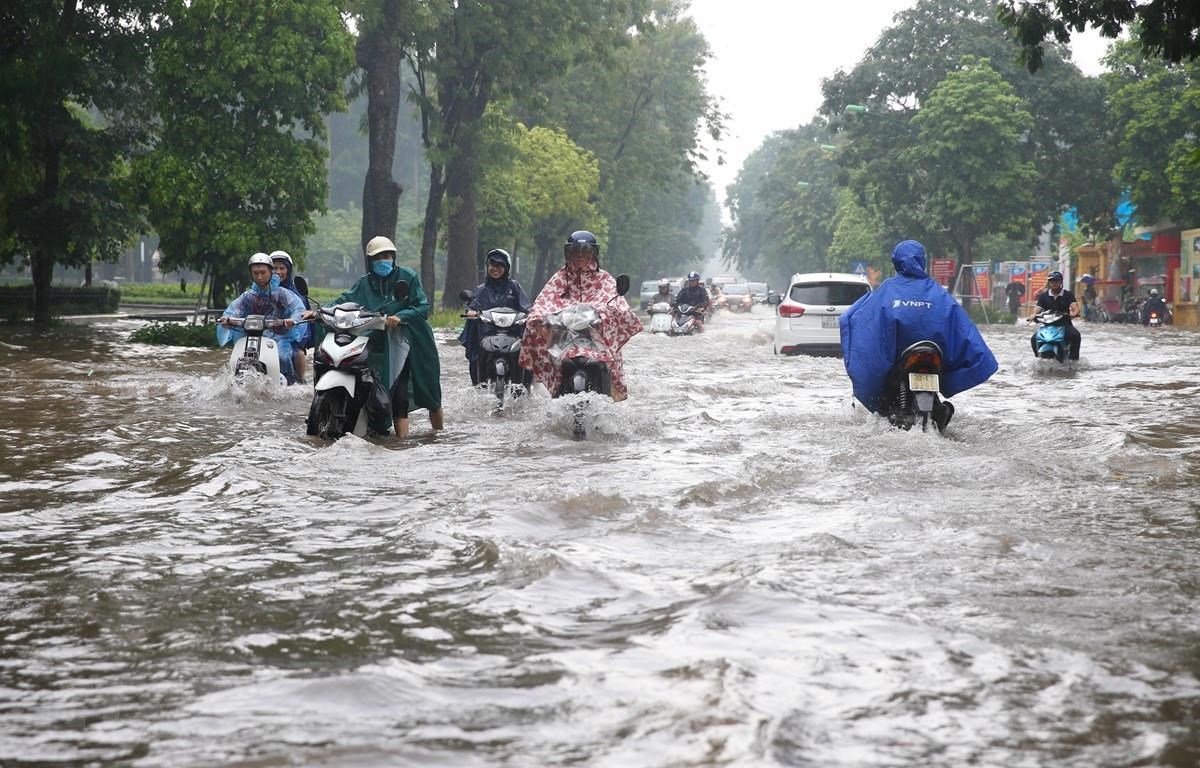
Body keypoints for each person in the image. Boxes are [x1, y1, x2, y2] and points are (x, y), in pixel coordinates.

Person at [840, 240, 998, 430]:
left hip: (902, 362)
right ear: (922, 261)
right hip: (933, 358)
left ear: (896, 262)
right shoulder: (939, 293)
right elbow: (963, 329)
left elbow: (867, 325)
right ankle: (937, 409)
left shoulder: (887, 290)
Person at [311, 236, 443, 438]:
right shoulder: (365, 283)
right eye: (378, 257)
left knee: (422, 392)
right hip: (378, 339)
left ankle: (432, 436)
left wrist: (401, 316)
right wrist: (320, 312)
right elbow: (344, 299)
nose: (384, 260)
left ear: (394, 257)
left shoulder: (407, 277)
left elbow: (423, 306)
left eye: (387, 255)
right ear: (370, 261)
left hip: (408, 341)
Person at [519, 230, 642, 401]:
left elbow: (616, 302)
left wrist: (610, 312)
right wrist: (538, 316)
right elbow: (543, 301)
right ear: (568, 253)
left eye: (585, 251)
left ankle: (608, 394)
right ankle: (557, 392)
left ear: (593, 253)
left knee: (612, 360)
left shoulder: (604, 278)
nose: (580, 256)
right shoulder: (559, 278)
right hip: (565, 340)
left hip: (596, 340)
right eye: (575, 251)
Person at [217, 252, 307, 384]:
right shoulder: (247, 297)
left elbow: (298, 310)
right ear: (251, 274)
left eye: (263, 272)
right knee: (236, 359)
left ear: (270, 272)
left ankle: (290, 385)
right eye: (255, 273)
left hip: (278, 338)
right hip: (251, 336)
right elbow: (233, 311)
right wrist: (226, 320)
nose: (259, 277)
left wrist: (291, 320)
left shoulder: (282, 294)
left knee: (282, 357)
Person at [458, 248, 532, 386]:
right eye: (492, 265)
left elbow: (526, 306)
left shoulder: (514, 287)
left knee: (527, 351)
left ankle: (525, 385)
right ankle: (479, 384)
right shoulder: (481, 289)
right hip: (486, 333)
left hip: (512, 333)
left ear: (506, 267)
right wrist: (471, 312)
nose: (495, 268)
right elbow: (472, 306)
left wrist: (530, 314)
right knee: (475, 356)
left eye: (499, 265)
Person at [270, 250, 312, 383]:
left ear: (288, 270)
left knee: (297, 353)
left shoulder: (296, 294)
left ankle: (299, 382)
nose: (278, 272)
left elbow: (302, 316)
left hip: (289, 335)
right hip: (264, 332)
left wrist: (293, 326)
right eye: (274, 268)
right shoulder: (260, 289)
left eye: (282, 268)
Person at [1030, 270, 1081, 359]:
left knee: (1075, 335)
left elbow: (1075, 307)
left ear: (1061, 282)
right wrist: (1033, 315)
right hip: (1047, 325)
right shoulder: (1044, 296)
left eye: (1056, 281)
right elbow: (1038, 309)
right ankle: (1037, 357)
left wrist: (1074, 313)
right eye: (1051, 281)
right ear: (1049, 282)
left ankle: (1074, 359)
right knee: (1034, 338)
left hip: (1064, 324)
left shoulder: (1068, 295)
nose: (1054, 283)